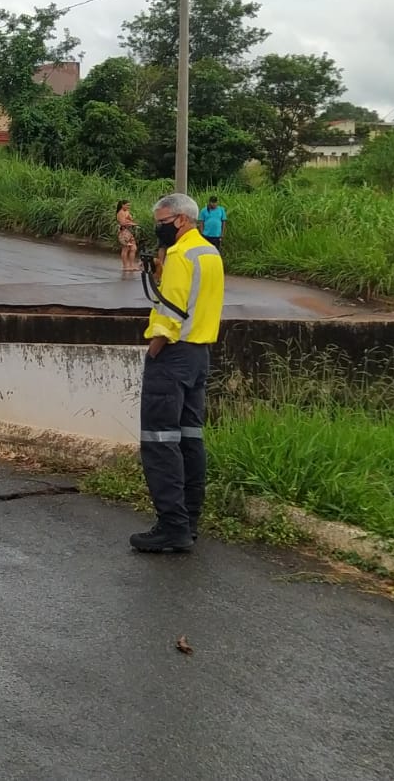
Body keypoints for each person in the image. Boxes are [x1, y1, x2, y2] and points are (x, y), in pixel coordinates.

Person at [132, 193, 225, 554]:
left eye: (161, 220)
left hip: (172, 355)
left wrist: (155, 350)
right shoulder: (209, 253)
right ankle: (189, 521)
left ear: (181, 220)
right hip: (200, 354)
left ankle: (172, 526)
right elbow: (195, 300)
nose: (158, 226)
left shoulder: (180, 254)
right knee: (190, 439)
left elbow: (170, 312)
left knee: (159, 441)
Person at [115, 199, 139, 274]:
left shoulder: (126, 212)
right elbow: (122, 223)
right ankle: (125, 266)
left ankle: (131, 265)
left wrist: (131, 220)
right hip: (123, 231)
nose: (128, 207)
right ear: (122, 205)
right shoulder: (120, 213)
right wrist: (132, 224)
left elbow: (130, 219)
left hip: (129, 231)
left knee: (133, 248)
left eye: (129, 205)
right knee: (126, 248)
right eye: (127, 205)